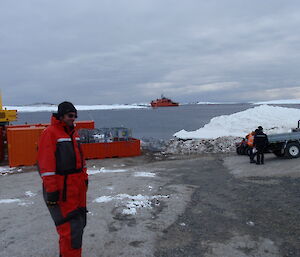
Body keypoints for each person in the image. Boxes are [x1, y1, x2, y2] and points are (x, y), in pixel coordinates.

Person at [38, 101, 88, 257]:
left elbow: (82, 160)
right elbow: (46, 165)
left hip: (77, 189)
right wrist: (52, 190)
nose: (73, 118)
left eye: (75, 116)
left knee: (79, 225)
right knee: (69, 229)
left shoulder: (74, 134)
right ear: (61, 115)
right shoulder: (50, 133)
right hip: (62, 190)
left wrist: (85, 178)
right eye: (69, 115)